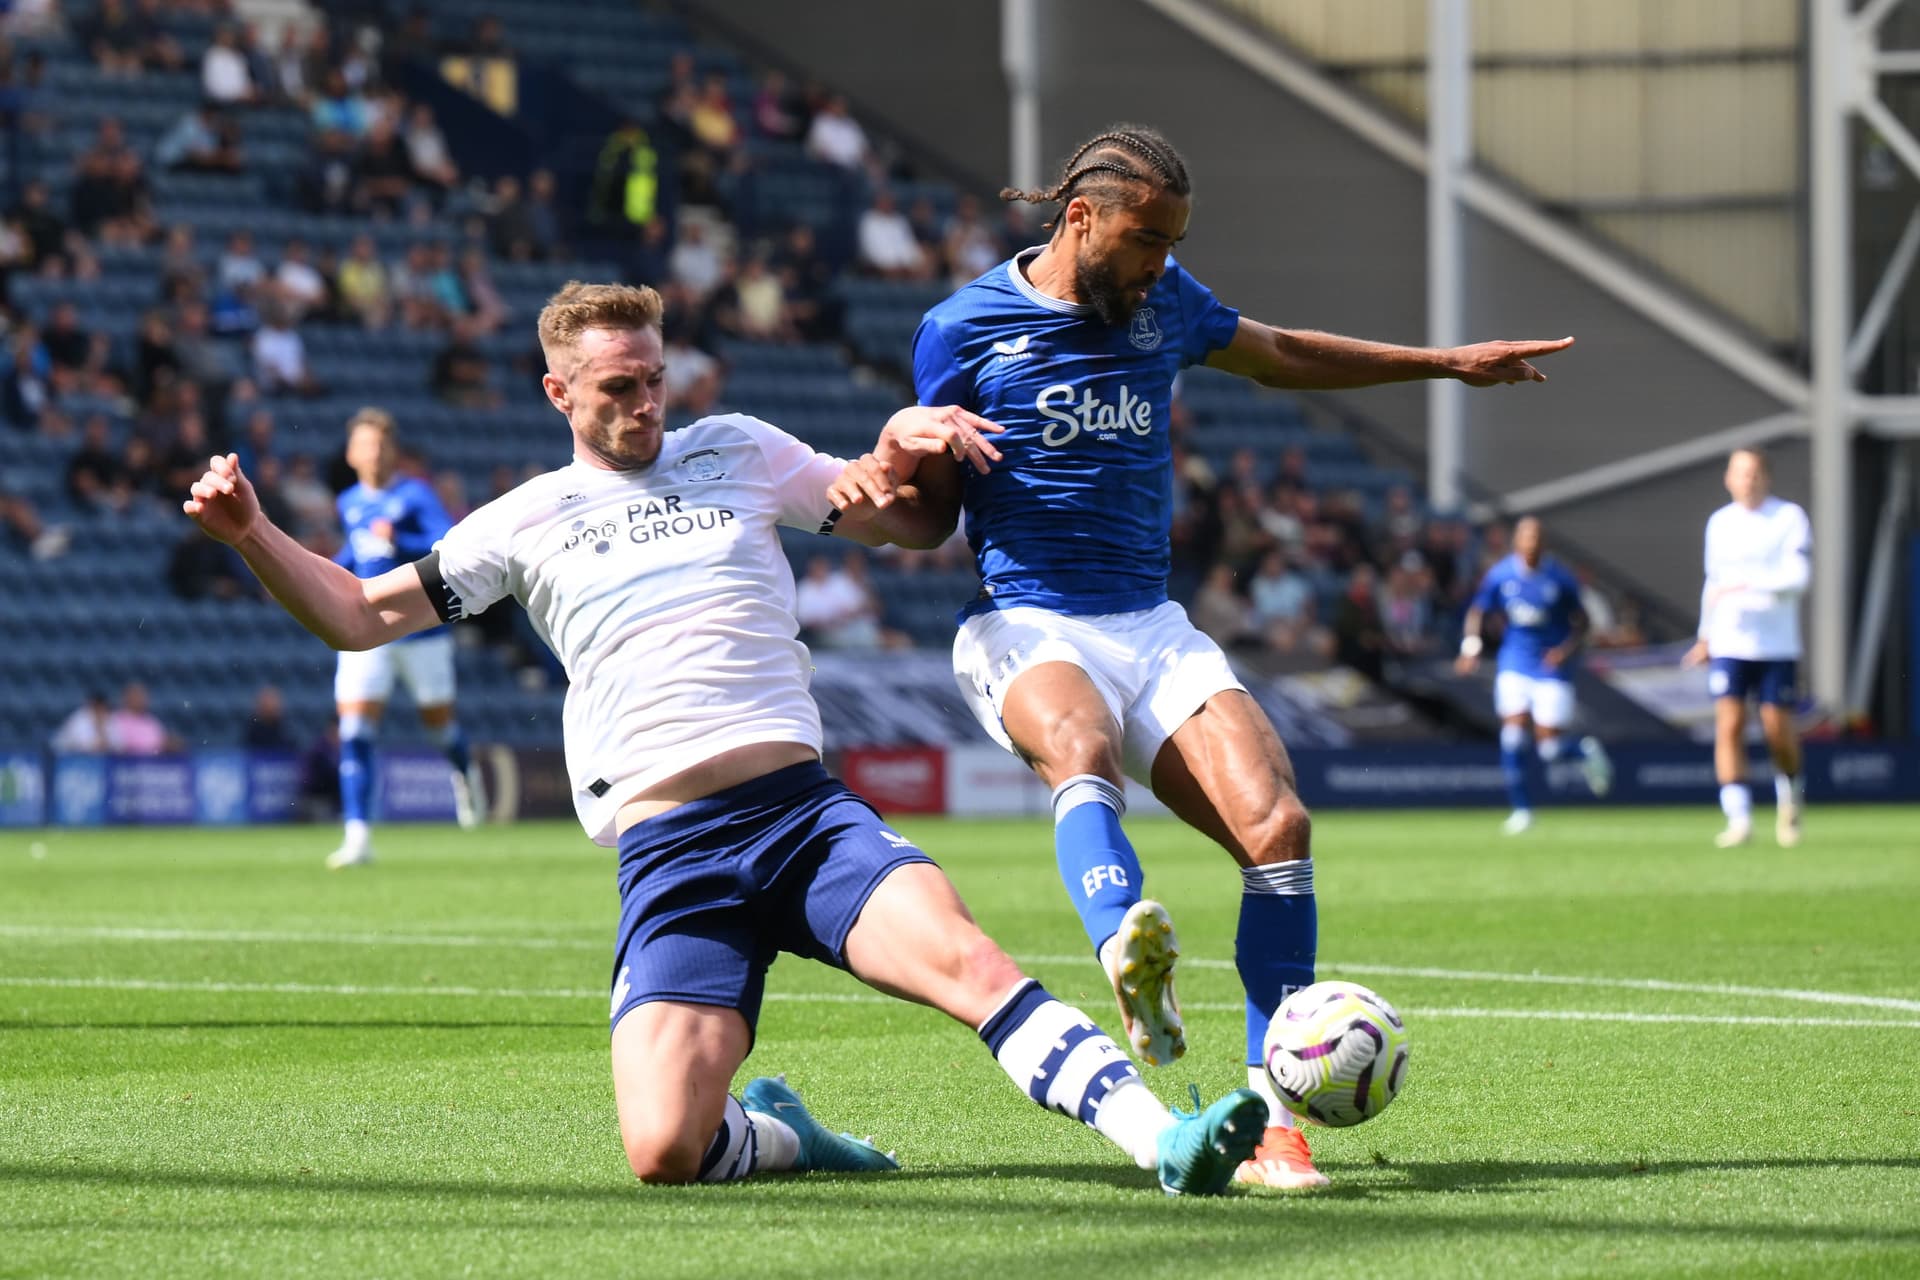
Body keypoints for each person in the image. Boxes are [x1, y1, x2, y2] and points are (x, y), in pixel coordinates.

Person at [180, 279, 1267, 1192]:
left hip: (801, 816)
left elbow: (903, 520)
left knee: (970, 963)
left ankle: (1161, 1136)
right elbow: (359, 615)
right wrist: (253, 533)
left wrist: (897, 443)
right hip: (671, 856)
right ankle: (791, 1136)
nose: (646, 402)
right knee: (662, 1147)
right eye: (618, 386)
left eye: (656, 378)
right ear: (558, 391)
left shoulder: (738, 448)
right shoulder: (522, 520)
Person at [875, 124, 1573, 1191]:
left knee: (1278, 825)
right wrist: (902, 448)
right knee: (1080, 742)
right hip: (1026, 617)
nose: (1161, 260)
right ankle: (1124, 943)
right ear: (1080, 218)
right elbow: (926, 522)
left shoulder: (1166, 303)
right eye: (1147, 238)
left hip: (1149, 622)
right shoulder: (962, 326)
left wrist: (1443, 363)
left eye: (1173, 241)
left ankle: (1269, 1122)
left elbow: (1283, 352)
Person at [325, 406, 485, 867]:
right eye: (365, 445)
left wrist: (402, 541)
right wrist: (320, 574)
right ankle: (357, 837)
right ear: (352, 454)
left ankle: (462, 767)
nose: (373, 453)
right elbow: (357, 555)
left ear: (392, 451)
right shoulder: (349, 501)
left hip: (419, 631)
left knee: (440, 729)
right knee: (355, 730)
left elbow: (447, 540)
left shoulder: (415, 495)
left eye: (380, 445)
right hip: (367, 631)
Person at [1682, 448, 1810, 849]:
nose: (1747, 480)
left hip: (1776, 644)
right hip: (1730, 641)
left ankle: (1790, 795)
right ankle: (1738, 819)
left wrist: (1752, 584)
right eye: (1740, 473)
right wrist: (1705, 635)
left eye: (1754, 473)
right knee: (1729, 725)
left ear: (1765, 477)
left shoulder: (1788, 517)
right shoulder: (1719, 523)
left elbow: (1799, 577)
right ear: (1728, 479)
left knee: (1777, 730)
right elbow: (1713, 582)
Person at [1455, 516, 1613, 834]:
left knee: (1549, 750)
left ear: (1544, 543)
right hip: (1514, 663)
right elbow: (1478, 610)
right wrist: (1471, 646)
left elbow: (1582, 623)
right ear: (1517, 541)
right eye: (1526, 537)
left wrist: (1565, 651)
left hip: (1550, 670)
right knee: (1512, 736)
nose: (1531, 543)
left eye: (1536, 537)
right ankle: (1522, 810)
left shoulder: (1560, 579)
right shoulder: (1501, 575)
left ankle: (1583, 751)